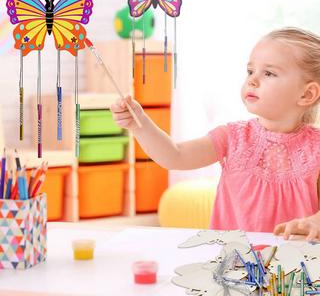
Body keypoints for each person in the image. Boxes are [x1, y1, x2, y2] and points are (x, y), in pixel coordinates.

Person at [111, 27, 320, 241]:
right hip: (232, 263)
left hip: (294, 267)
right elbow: (175, 155)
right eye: (250, 71)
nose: (252, 80)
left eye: (269, 73)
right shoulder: (233, 137)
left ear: (307, 94)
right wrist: (140, 124)